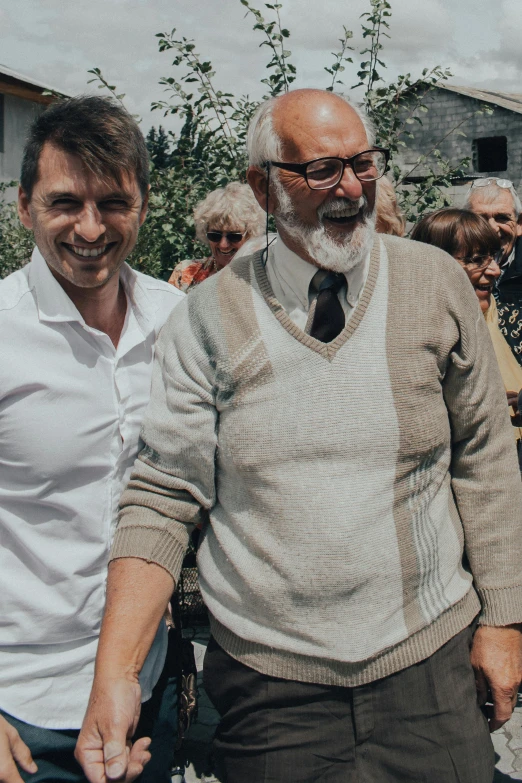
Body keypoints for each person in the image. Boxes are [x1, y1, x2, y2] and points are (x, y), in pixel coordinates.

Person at [77, 89, 522, 783]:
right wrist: (116, 672)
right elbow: (164, 495)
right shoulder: (207, 317)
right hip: (272, 686)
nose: (350, 187)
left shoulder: (433, 284)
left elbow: (486, 462)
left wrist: (504, 620)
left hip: (427, 667)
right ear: (263, 185)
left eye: (363, 164)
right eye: (322, 171)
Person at [0, 95, 184, 783]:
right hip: (22, 707)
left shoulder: (177, 319)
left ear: (142, 205)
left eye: (113, 202)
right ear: (23, 206)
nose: (90, 226)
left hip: (143, 685)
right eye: (64, 202)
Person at [411, 207, 522, 446]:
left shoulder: (499, 316)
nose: (495, 270)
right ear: (435, 262)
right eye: (476, 259)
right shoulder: (414, 340)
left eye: (493, 256)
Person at [169, 181, 265, 292]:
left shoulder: (263, 278)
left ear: (250, 234)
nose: (223, 245)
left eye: (233, 236)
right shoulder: (185, 272)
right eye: (215, 235)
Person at [465, 178, 522, 363]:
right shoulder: (449, 268)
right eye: (480, 219)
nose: (491, 228)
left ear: (519, 224)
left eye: (502, 218)